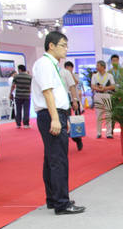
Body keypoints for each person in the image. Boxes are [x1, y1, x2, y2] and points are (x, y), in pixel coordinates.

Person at [31, 31, 85, 215]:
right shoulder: (45, 64)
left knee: (51, 159)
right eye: (63, 45)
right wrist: (55, 118)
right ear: (51, 46)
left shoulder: (52, 65)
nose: (66, 49)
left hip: (56, 113)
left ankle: (54, 199)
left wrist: (62, 117)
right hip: (50, 114)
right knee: (58, 160)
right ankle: (62, 203)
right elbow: (47, 93)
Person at [91, 60, 115, 139]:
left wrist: (105, 88)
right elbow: (92, 86)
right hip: (98, 95)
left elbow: (113, 86)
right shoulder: (94, 76)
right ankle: (99, 132)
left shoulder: (109, 75)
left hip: (107, 95)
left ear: (103, 67)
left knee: (108, 114)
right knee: (98, 114)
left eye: (98, 66)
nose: (96, 67)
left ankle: (109, 133)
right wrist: (99, 89)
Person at [62, 61, 83, 151]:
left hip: (72, 99)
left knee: (73, 121)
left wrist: (74, 101)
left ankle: (77, 138)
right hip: (62, 101)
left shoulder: (72, 75)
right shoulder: (59, 73)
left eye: (70, 67)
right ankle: (64, 144)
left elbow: (74, 85)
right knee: (64, 123)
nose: (69, 69)